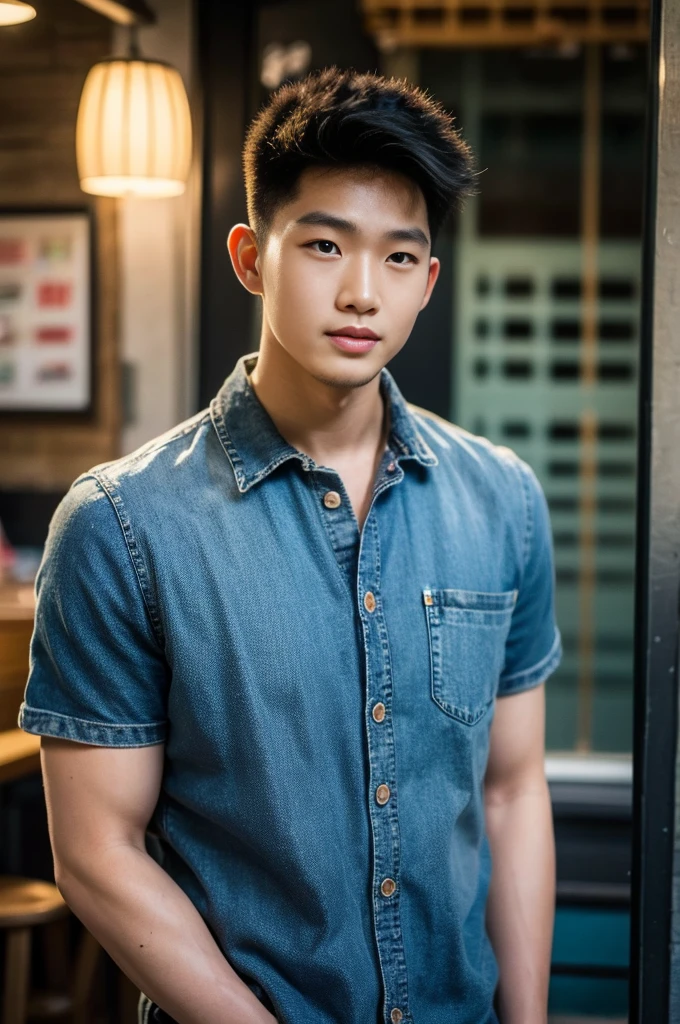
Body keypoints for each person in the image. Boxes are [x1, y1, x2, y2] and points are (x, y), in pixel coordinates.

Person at [19, 67, 562, 1024]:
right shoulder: (119, 526)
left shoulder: (502, 501)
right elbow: (97, 853)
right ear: (251, 257)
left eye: (400, 258)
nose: (362, 292)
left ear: (429, 280)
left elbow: (514, 793)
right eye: (323, 244)